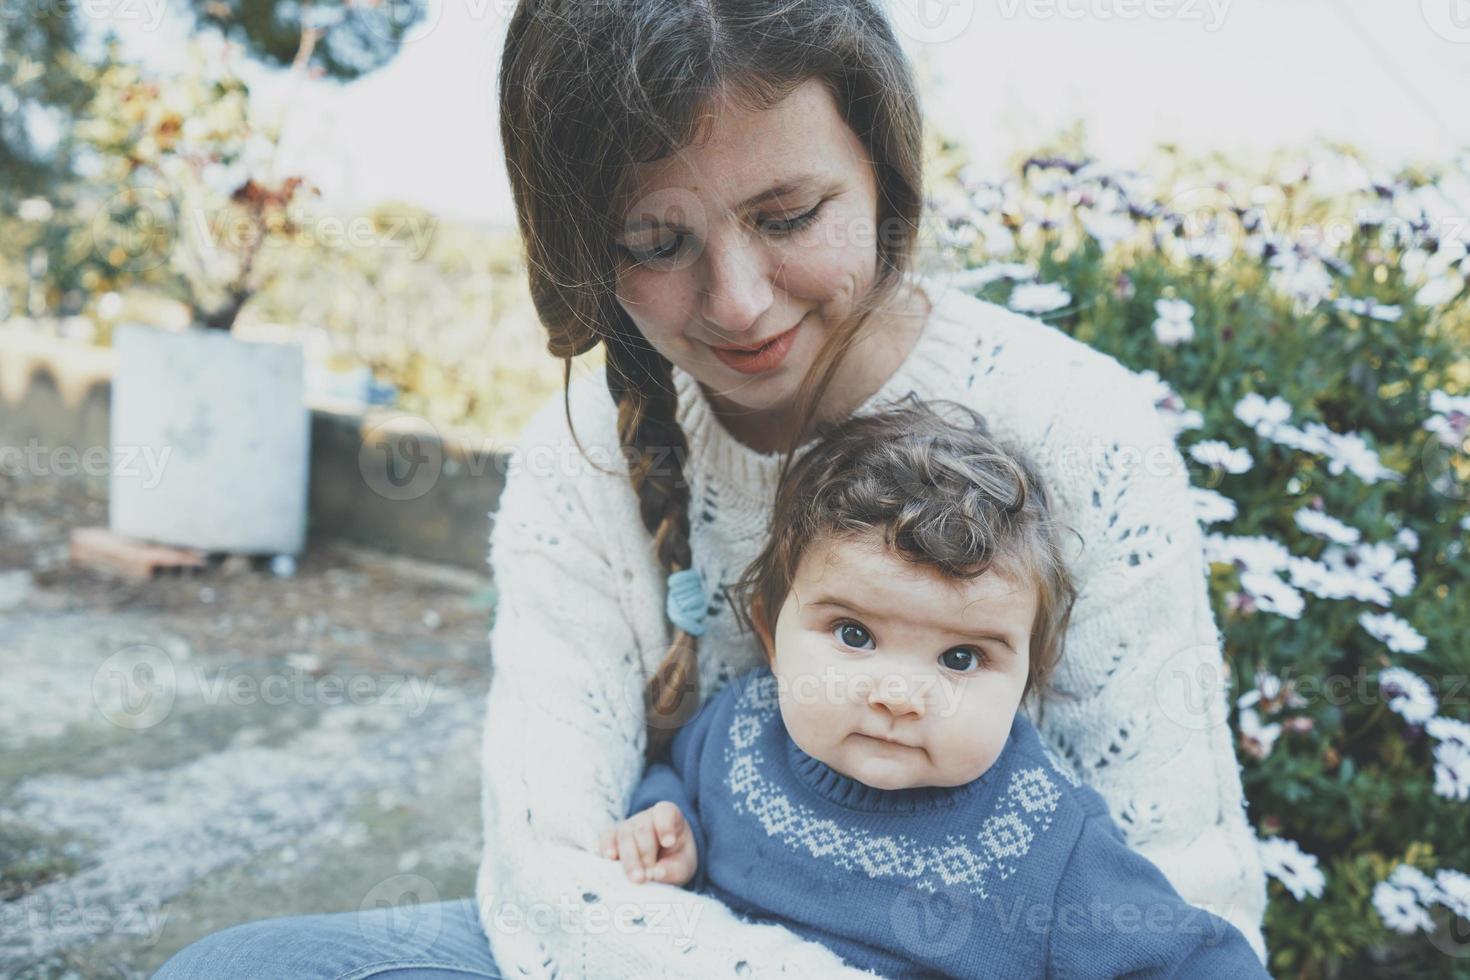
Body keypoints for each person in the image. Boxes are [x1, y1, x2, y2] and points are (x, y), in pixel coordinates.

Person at [154, 0, 1267, 976]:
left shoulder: (1081, 428)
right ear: (583, 248)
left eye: (788, 217)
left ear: (884, 172)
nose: (738, 302)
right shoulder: (580, 457)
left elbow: (1191, 900)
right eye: (654, 239)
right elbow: (552, 870)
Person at [599, 398, 1271, 978]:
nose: (900, 694)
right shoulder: (740, 729)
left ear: (1025, 681)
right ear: (771, 635)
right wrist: (667, 826)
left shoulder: (1045, 841)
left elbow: (1196, 961)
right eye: (854, 635)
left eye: (960, 657)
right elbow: (670, 775)